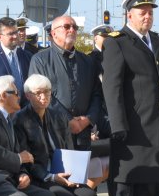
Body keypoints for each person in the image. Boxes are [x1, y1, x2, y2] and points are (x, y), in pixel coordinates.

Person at [102, 0, 159, 196]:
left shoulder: (158, 42)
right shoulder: (117, 42)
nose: (148, 15)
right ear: (129, 14)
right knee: (126, 181)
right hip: (131, 125)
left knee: (150, 179)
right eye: (142, 11)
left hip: (155, 124)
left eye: (151, 11)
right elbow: (112, 86)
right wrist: (118, 124)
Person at [14, 74, 98, 196]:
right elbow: (28, 158)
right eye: (38, 93)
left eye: (47, 92)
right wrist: (51, 177)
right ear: (28, 95)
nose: (44, 97)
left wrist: (74, 173)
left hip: (63, 173)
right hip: (39, 177)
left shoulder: (57, 116)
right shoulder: (20, 120)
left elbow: (68, 148)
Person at [29, 15, 105, 154]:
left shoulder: (87, 61)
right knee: (60, 174)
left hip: (83, 133)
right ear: (53, 33)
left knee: (81, 175)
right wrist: (68, 121)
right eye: (66, 27)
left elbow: (97, 94)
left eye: (75, 27)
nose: (72, 30)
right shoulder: (40, 60)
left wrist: (88, 119)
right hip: (54, 132)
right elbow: (40, 94)